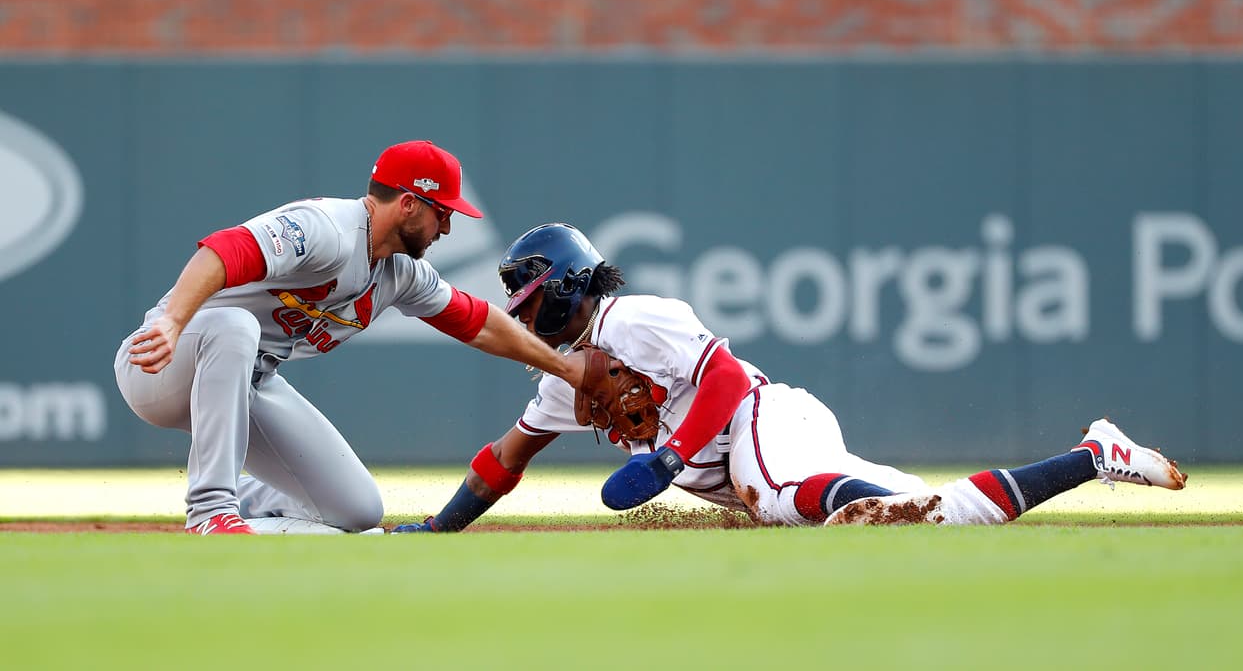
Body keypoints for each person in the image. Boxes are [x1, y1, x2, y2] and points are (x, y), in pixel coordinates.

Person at [392, 223, 1186, 533]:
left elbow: (731, 381)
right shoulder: (560, 378)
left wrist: (666, 460)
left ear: (560, 285)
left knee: (777, 499)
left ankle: (1092, 456)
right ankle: (1094, 456)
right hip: (760, 446)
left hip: (760, 420)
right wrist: (434, 531)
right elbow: (505, 460)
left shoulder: (630, 321)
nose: (518, 310)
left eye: (526, 293)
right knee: (927, 517)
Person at [114, 142, 588, 535]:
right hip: (164, 362)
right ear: (408, 203)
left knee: (358, 514)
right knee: (237, 324)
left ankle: (239, 505)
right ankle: (211, 510)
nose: (447, 226)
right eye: (442, 212)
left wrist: (567, 370)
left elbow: (480, 322)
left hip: (245, 383)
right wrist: (173, 322)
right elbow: (224, 249)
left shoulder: (401, 273)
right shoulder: (328, 230)